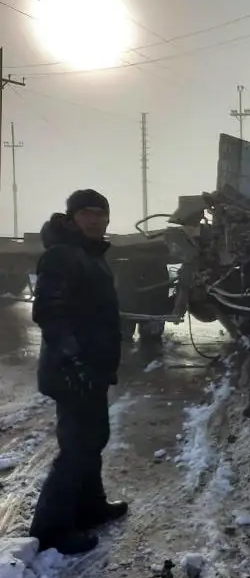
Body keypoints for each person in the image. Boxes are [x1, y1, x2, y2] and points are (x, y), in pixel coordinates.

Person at [29, 189, 128, 555]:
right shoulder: (62, 255)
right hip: (73, 371)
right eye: (87, 213)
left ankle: (91, 506)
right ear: (71, 218)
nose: (95, 219)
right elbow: (48, 313)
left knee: (93, 439)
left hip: (92, 369)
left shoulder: (90, 254)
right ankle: (51, 529)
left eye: (101, 213)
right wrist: (73, 360)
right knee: (76, 449)